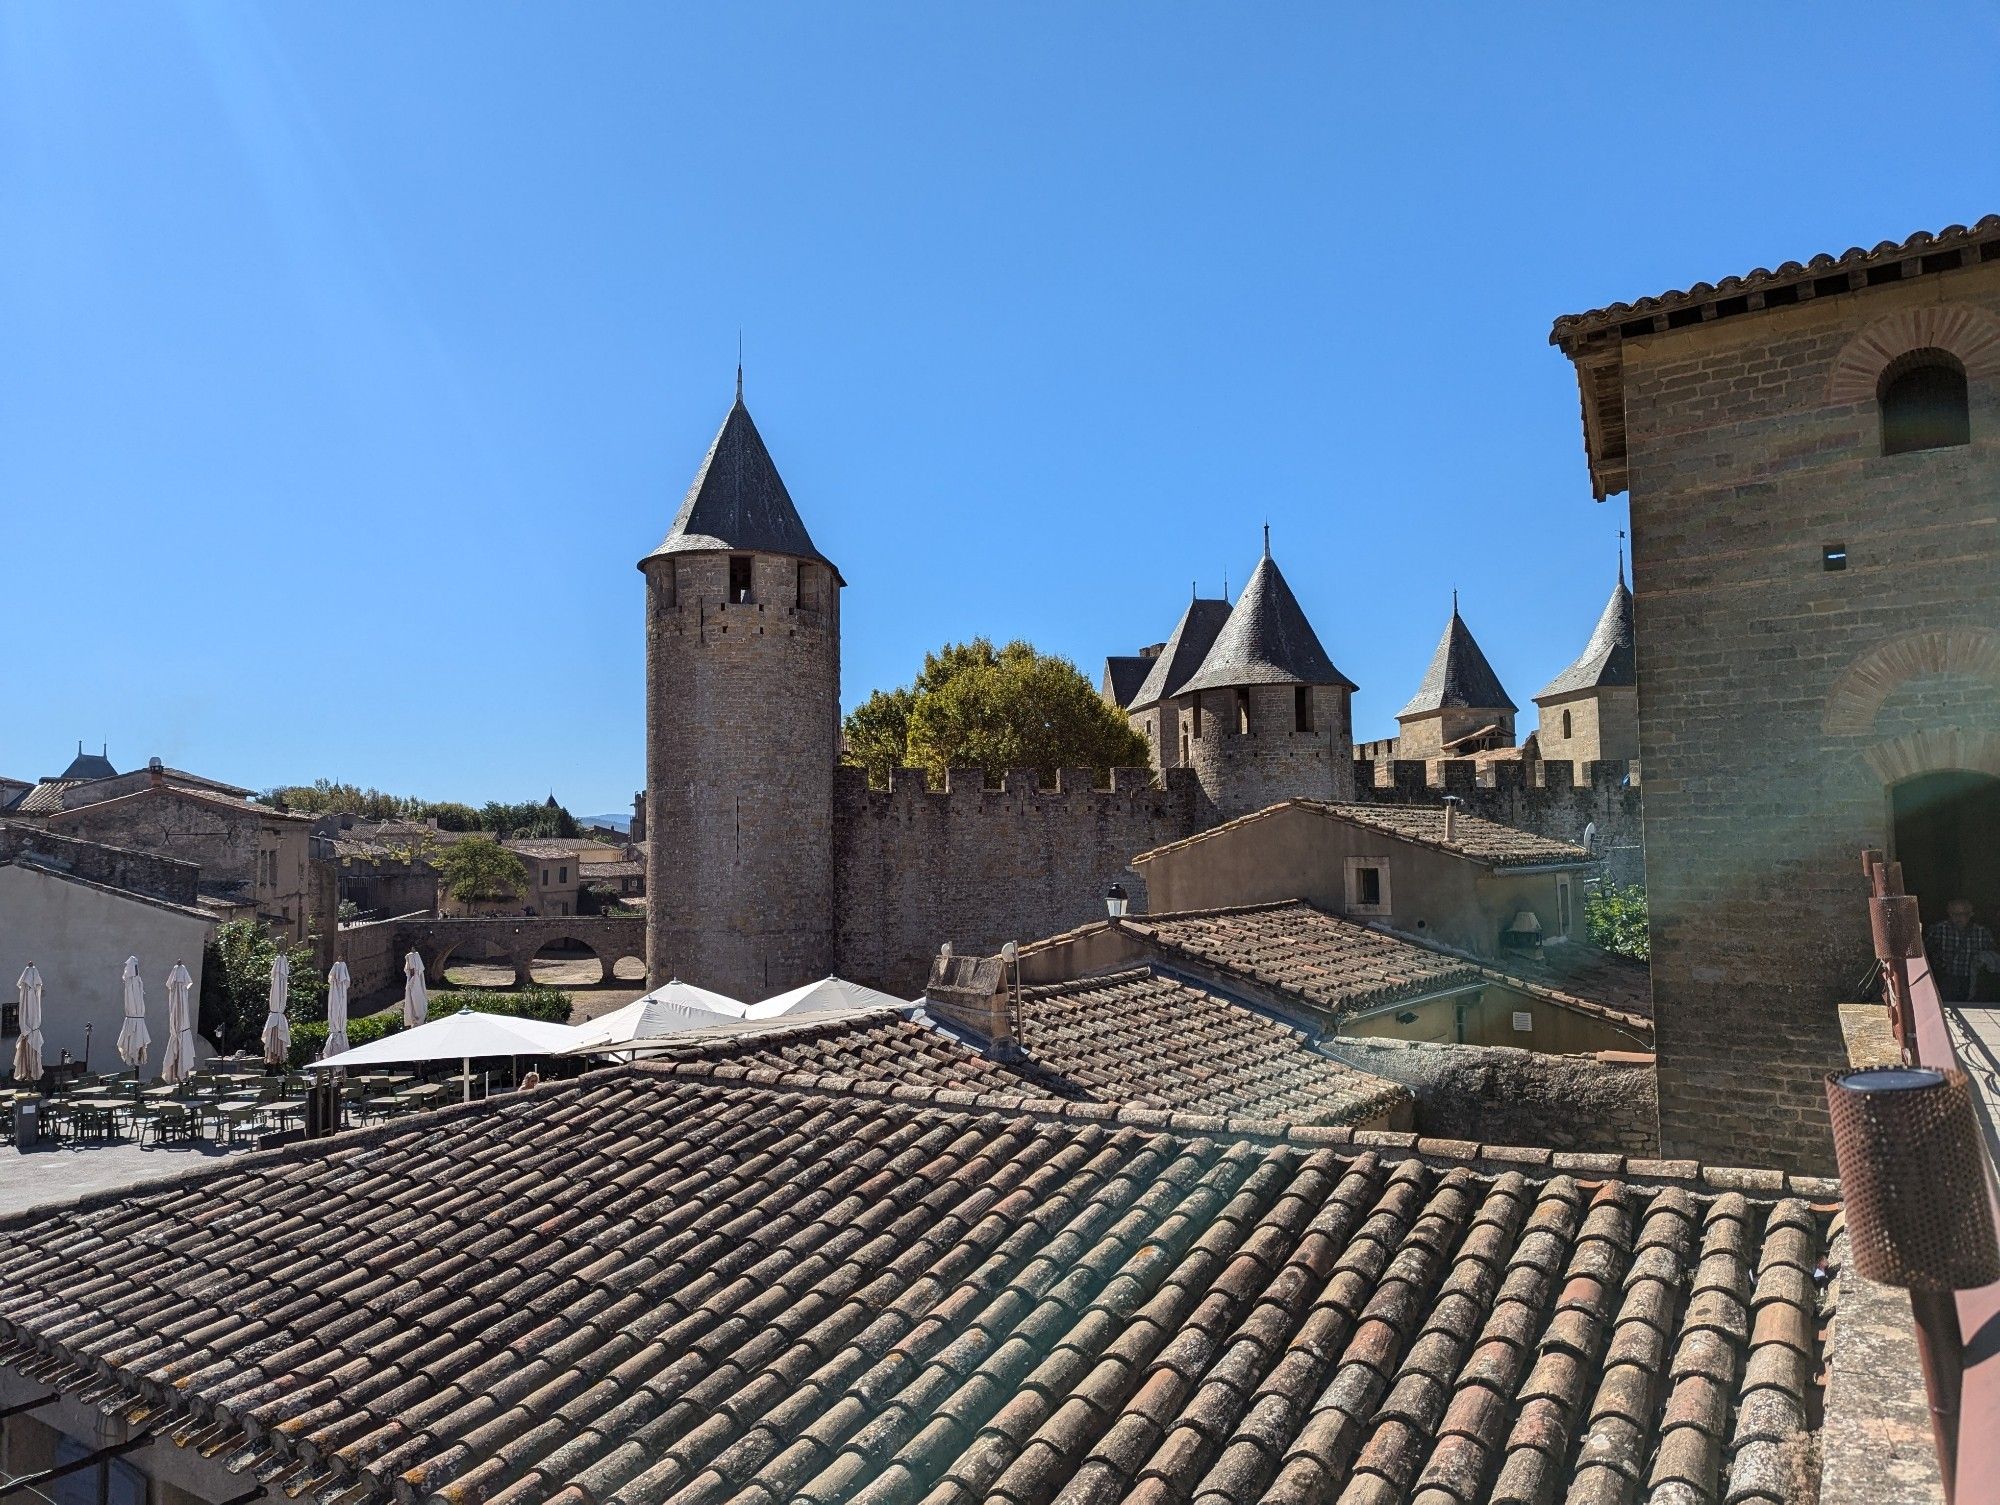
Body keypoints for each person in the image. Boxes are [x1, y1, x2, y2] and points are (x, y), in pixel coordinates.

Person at [1925, 898, 2000, 1002]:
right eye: (1954, 914)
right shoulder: (1938, 929)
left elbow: (1993, 956)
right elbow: (1926, 951)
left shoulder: (1982, 933)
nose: (1958, 918)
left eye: (1962, 914)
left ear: (1970, 914)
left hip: (1973, 980)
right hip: (1947, 979)